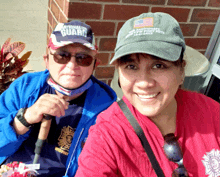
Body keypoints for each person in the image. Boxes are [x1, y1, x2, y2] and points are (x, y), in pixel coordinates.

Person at [75, 12, 220, 177]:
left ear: (181, 71)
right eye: (131, 66)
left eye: (158, 65)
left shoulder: (211, 113)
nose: (144, 83)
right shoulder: (107, 135)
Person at [0, 20, 117, 176]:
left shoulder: (106, 109)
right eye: (62, 55)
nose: (72, 65)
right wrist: (24, 118)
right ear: (46, 60)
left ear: (95, 65)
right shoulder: (24, 87)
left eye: (83, 58)